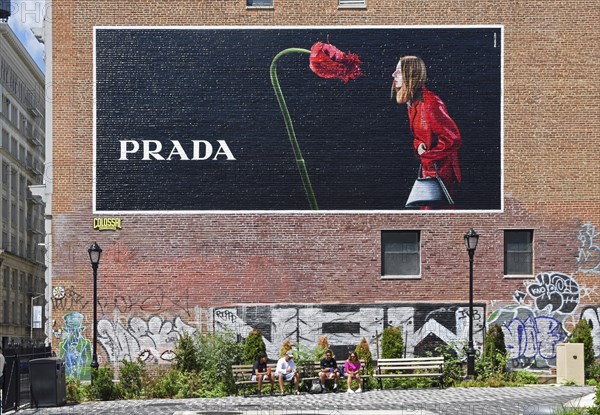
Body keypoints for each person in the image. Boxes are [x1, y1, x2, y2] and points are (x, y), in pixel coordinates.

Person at [392, 55, 462, 209]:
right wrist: (418, 145)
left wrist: (427, 156)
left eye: (398, 71)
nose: (393, 75)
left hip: (442, 173)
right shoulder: (413, 102)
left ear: (411, 74)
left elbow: (453, 139)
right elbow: (420, 135)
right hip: (430, 170)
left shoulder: (430, 102)